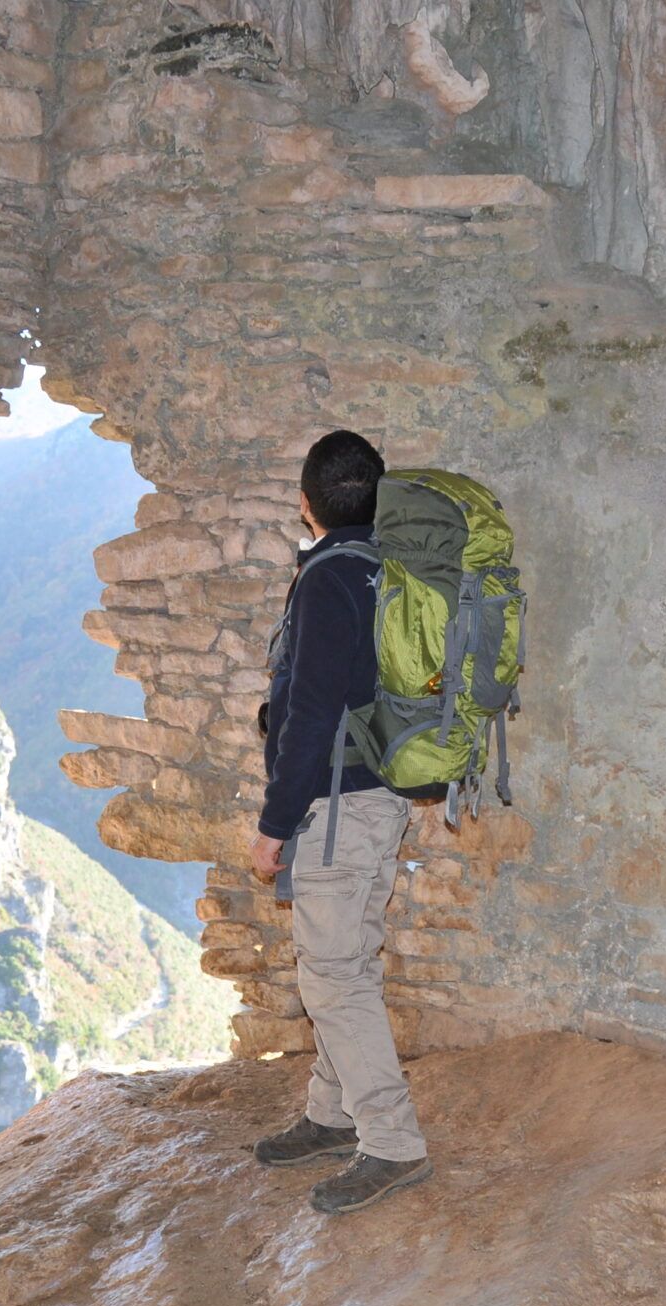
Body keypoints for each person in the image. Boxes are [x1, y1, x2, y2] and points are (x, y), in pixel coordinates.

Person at [247, 430, 430, 1215]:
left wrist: (274, 822)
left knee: (333, 975)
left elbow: (311, 715)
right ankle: (331, 1112)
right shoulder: (388, 568)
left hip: (335, 806)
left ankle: (390, 1142)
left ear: (306, 501)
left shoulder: (327, 580)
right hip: (379, 794)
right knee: (344, 961)